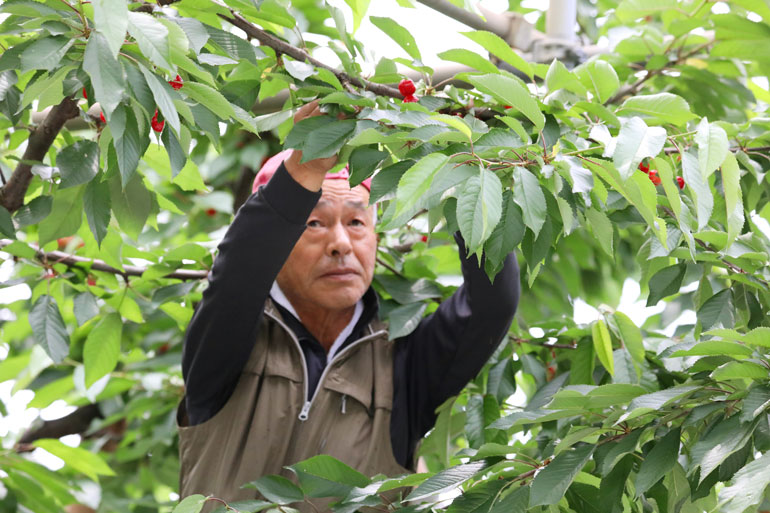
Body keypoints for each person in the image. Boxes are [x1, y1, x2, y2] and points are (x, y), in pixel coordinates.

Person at [177, 101, 520, 509]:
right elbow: (238, 273)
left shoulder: (403, 364)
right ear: (278, 240)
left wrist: (473, 177)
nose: (341, 243)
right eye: (315, 223)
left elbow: (490, 306)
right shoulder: (228, 342)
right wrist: (304, 170)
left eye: (357, 222)